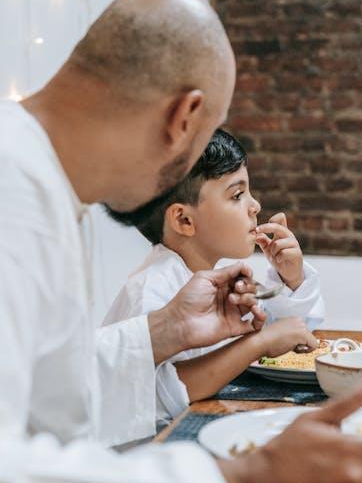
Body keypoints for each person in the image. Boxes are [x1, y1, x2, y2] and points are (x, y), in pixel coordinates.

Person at [0, 0, 362, 483]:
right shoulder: (11, 196)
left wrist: (161, 332)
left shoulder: (37, 184)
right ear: (184, 116)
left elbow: (41, 398)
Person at [103, 128, 323, 423]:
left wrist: (290, 278)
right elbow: (157, 392)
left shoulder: (211, 278)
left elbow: (293, 336)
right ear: (184, 220)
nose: (255, 205)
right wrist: (256, 344)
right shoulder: (152, 289)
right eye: (237, 194)